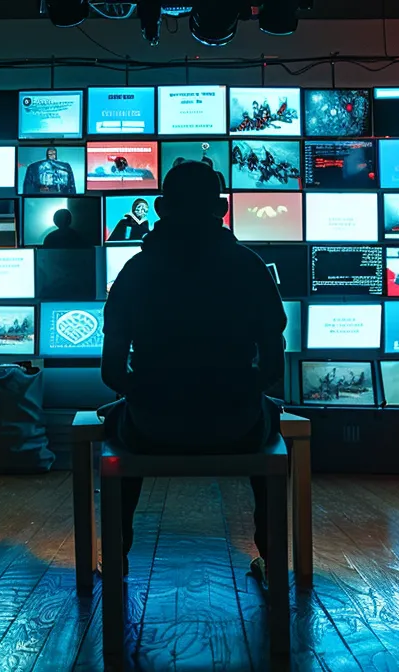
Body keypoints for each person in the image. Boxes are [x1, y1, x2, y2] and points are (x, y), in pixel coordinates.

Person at [100, 160, 286, 585]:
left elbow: (111, 371)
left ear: (162, 208)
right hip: (236, 424)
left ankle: (117, 558)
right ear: (221, 208)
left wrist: (146, 391)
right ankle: (271, 556)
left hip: (152, 426)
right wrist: (237, 389)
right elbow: (272, 366)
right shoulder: (249, 267)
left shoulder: (135, 272)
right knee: (269, 418)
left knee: (116, 420)